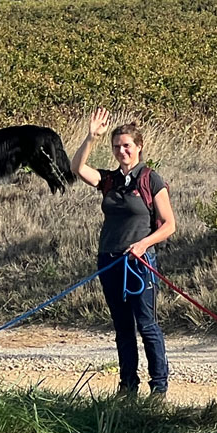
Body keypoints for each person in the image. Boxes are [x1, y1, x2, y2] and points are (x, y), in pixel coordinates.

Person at [71, 107, 176, 398]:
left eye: (127, 146)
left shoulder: (151, 179)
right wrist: (91, 138)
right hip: (110, 260)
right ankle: (128, 387)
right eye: (117, 147)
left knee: (147, 325)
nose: (121, 151)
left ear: (138, 147)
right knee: (122, 328)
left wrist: (143, 244)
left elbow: (169, 225)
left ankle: (159, 388)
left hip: (140, 263)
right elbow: (78, 168)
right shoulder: (109, 181)